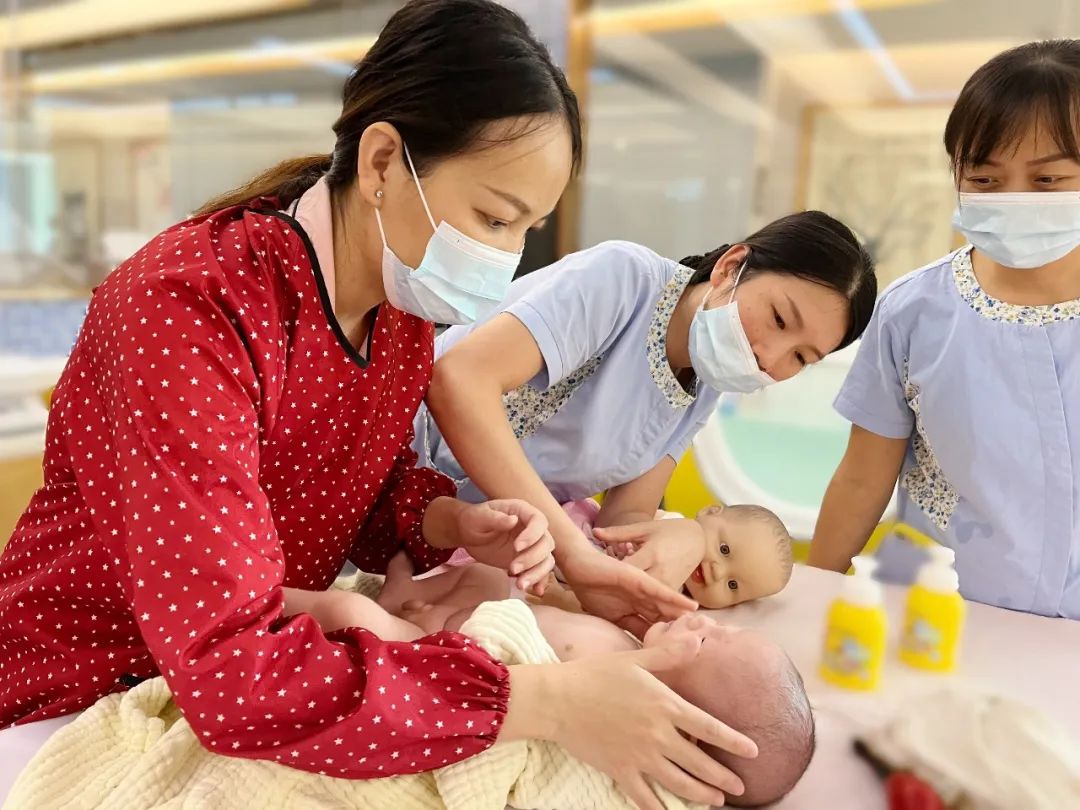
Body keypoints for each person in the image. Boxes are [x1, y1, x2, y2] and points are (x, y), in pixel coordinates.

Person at [0, 3, 753, 809]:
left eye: (526, 231)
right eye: (495, 219)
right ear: (384, 161)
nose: (506, 258)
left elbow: (351, 487)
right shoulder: (188, 309)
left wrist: (451, 523)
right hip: (83, 679)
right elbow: (233, 672)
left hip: (267, 660)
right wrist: (548, 702)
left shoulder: (399, 317)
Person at [415, 212, 877, 619]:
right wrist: (573, 552)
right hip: (398, 479)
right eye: (778, 319)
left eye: (800, 358)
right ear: (731, 266)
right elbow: (459, 380)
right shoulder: (623, 280)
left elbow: (622, 518)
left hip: (480, 544)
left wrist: (681, 544)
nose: (770, 358)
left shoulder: (703, 384)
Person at [808, 40, 1080, 620]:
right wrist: (810, 599)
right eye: (984, 179)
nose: (1014, 199)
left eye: (1047, 179)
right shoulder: (914, 311)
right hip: (934, 617)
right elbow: (861, 480)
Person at [287, 554, 816, 808]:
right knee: (489, 572)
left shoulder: (626, 695)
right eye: (723, 626)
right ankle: (403, 599)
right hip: (468, 619)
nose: (703, 621)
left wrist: (440, 632)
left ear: (685, 724)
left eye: (709, 643)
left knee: (351, 611)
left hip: (440, 663)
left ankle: (261, 602)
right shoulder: (632, 646)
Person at [538, 501, 795, 610]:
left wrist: (564, 599)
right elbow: (625, 521)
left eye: (732, 585)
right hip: (570, 520)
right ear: (710, 511)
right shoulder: (673, 525)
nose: (717, 572)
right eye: (724, 549)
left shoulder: (672, 602)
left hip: (558, 566)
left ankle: (557, 596)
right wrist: (627, 542)